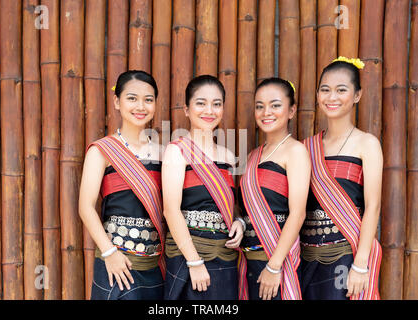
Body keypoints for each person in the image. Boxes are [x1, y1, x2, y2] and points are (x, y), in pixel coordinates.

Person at [78, 70, 166, 300]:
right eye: (132, 98)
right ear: (117, 101)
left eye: (148, 100)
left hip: (154, 267)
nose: (141, 106)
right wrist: (109, 253)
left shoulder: (164, 153)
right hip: (116, 264)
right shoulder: (102, 150)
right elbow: (85, 207)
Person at [301, 57, 383, 300]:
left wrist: (360, 264)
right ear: (317, 95)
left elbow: (373, 206)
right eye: (325, 90)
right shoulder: (306, 148)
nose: (332, 97)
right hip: (307, 258)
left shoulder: (367, 144)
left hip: (346, 256)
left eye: (341, 90)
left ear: (357, 95)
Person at [162, 75, 248, 300]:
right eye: (201, 103)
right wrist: (194, 261)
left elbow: (229, 205)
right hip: (189, 258)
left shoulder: (228, 157)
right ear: (187, 109)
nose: (209, 110)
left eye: (216, 104)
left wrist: (239, 222)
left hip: (225, 257)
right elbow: (171, 210)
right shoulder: (176, 151)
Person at [239, 78, 310, 300]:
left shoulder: (296, 151)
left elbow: (298, 213)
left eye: (275, 105)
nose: (266, 112)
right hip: (249, 261)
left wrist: (274, 266)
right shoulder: (252, 155)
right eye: (260, 106)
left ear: (292, 110)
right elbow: (247, 209)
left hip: (276, 262)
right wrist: (240, 223)